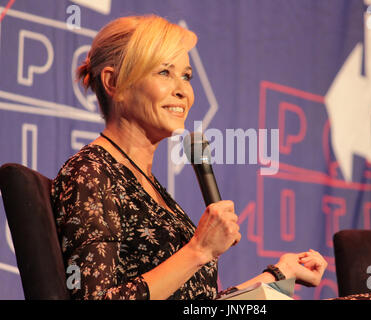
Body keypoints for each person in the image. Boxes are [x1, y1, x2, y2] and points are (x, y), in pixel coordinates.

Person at [51, 15, 328, 300]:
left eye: (186, 76)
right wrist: (199, 250)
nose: (183, 91)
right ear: (114, 82)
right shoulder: (91, 173)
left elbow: (199, 302)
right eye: (164, 73)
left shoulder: (147, 184)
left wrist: (281, 274)